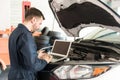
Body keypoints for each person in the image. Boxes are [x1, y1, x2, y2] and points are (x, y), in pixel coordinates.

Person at [8, 7, 52, 80]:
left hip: (14, 74)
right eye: (39, 23)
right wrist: (45, 61)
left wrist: (36, 54)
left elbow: (20, 54)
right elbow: (33, 65)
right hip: (24, 76)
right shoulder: (26, 36)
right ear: (33, 20)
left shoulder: (16, 31)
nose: (39, 27)